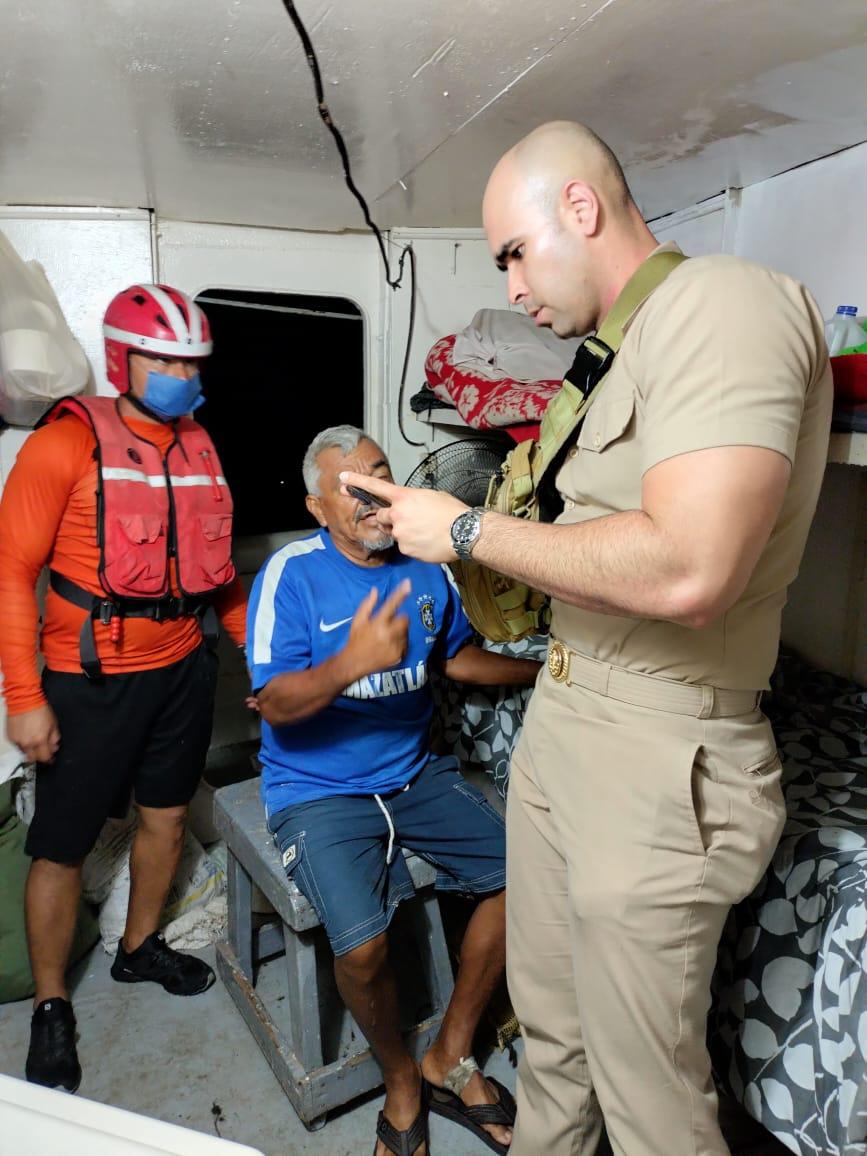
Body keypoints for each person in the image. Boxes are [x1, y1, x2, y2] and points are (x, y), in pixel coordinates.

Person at [339, 122, 834, 1155]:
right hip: (565, 717)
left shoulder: (722, 304)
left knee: (649, 1099)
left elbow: (692, 567)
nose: (512, 287)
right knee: (553, 1048)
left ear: (581, 206)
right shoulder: (611, 356)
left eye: (515, 252)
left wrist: (465, 530)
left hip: (656, 745)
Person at [246, 425, 541, 1156]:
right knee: (364, 949)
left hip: (413, 774)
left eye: (378, 474)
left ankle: (450, 1054)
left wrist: (549, 670)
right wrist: (351, 662)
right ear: (318, 508)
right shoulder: (292, 574)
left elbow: (457, 660)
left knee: (526, 876)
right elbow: (274, 703)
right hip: (317, 788)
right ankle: (402, 1080)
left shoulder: (423, 568)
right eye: (348, 487)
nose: (370, 496)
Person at [0, 284, 248, 1094]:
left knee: (167, 818)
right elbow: (11, 572)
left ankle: (139, 949)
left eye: (193, 363)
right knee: (62, 847)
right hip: (89, 679)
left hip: (183, 669)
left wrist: (259, 658)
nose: (183, 376)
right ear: (121, 359)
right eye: (164, 360)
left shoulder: (201, 445)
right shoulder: (63, 443)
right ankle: (51, 1003)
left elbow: (217, 569)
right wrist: (24, 696)